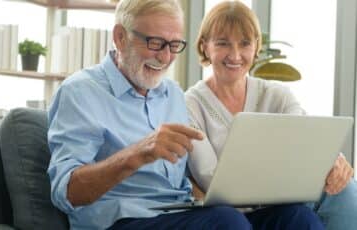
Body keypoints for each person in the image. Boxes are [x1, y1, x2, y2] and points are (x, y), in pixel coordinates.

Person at [48, 0, 324, 229]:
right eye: (155, 43)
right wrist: (139, 153)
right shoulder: (81, 92)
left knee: (297, 218)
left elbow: (190, 176)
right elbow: (67, 192)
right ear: (120, 37)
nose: (166, 57)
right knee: (226, 223)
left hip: (177, 212)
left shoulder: (171, 94)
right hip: (121, 219)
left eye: (174, 45)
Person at [185, 1, 357, 230]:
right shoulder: (191, 104)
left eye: (244, 43)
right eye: (223, 43)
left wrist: (335, 162)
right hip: (229, 213)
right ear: (205, 46)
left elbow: (309, 143)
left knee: (344, 187)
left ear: (256, 46)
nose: (235, 55)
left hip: (282, 200)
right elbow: (212, 180)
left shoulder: (278, 95)